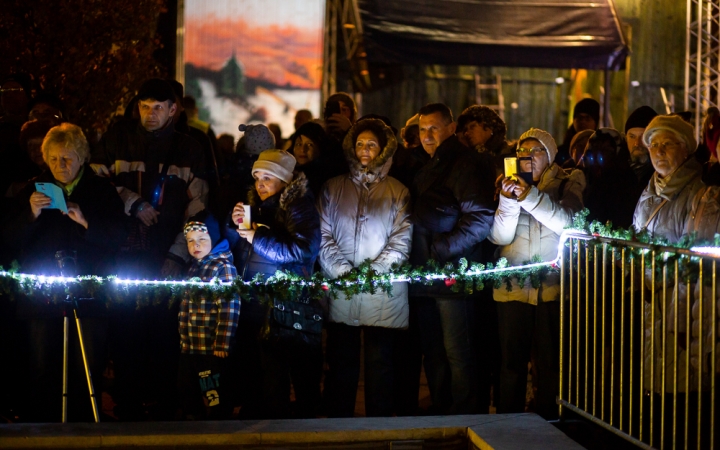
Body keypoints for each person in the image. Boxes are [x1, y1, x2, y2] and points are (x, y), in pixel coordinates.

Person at [3, 123, 128, 422]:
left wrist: (86, 223)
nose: (61, 165)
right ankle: (44, 428)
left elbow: (119, 236)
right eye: (54, 158)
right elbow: (9, 240)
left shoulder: (101, 191)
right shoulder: (32, 191)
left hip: (90, 296)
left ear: (82, 157)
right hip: (42, 299)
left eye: (67, 158)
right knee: (44, 365)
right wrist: (29, 216)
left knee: (87, 364)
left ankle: (85, 427)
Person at [489, 128, 585, 420]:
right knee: (510, 365)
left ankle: (549, 424)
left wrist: (529, 196)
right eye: (522, 152)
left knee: (550, 364)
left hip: (552, 289)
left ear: (550, 155)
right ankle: (507, 426)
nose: (527, 157)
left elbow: (569, 222)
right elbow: (499, 237)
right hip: (513, 288)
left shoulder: (570, 180)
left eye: (535, 151)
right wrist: (507, 201)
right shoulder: (508, 183)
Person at [318, 119, 412, 417]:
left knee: (380, 364)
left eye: (372, 144)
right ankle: (339, 426)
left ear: (384, 149)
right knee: (341, 362)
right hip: (342, 290)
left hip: (382, 293)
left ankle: (378, 426)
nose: (365, 150)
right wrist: (344, 273)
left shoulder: (398, 191)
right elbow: (322, 235)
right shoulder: (333, 188)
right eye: (360, 143)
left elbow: (401, 240)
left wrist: (373, 273)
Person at [410, 103, 496, 414]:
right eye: (422, 129)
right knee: (434, 353)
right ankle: (442, 413)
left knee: (458, 352)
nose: (427, 135)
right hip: (427, 276)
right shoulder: (428, 166)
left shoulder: (462, 165)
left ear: (450, 129)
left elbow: (480, 218)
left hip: (452, 277)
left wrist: (439, 251)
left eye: (434, 128)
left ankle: (465, 415)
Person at [224, 149, 321, 419]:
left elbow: (303, 250)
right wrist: (235, 226)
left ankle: (289, 422)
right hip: (257, 296)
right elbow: (243, 248)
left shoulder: (298, 206)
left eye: (268, 177)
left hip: (286, 299)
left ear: (285, 181)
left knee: (285, 366)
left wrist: (257, 238)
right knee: (258, 363)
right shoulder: (258, 206)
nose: (261, 183)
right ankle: (260, 413)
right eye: (257, 177)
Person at [91, 78, 208, 278]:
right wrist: (133, 203)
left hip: (165, 253)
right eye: (145, 107)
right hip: (118, 252)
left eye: (158, 108)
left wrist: (177, 255)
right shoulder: (117, 140)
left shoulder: (189, 150)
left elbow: (198, 210)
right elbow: (94, 183)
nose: (150, 114)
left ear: (173, 110)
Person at [178, 216, 239, 420]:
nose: (196, 245)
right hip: (191, 346)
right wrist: (184, 341)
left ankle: (218, 422)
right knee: (190, 390)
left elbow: (230, 307)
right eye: (190, 240)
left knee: (212, 391)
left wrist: (222, 343)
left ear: (213, 238)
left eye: (202, 239)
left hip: (212, 349)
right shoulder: (194, 267)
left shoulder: (223, 267)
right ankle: (195, 421)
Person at [633, 114, 703, 242]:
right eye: (654, 145)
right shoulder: (648, 191)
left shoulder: (697, 193)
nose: (659, 151)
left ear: (685, 149)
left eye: (667, 143)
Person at [580, 128, 638, 228]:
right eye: (596, 148)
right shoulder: (585, 176)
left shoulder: (625, 178)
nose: (600, 155)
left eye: (606, 150)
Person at [288, 121, 341, 196]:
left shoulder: (327, 181)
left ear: (320, 148)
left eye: (310, 145)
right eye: (298, 144)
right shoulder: (285, 175)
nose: (303, 149)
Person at [557, 98, 600, 165]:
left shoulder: (601, 150)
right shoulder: (560, 152)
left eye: (587, 118)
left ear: (595, 123)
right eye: (579, 118)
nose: (583, 122)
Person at [624, 106, 658, 188]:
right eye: (632, 136)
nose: (637, 143)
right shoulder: (613, 174)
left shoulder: (662, 176)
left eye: (643, 137)